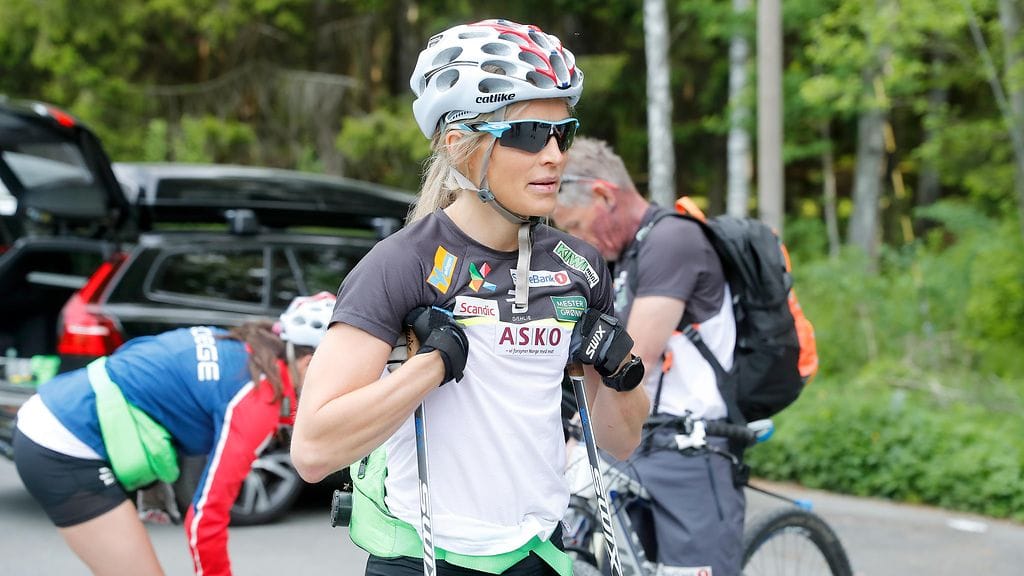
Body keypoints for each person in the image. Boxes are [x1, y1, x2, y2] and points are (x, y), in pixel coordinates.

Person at [290, 19, 649, 576]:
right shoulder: (402, 264)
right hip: (425, 557)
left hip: (538, 555)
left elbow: (619, 443)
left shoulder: (578, 266)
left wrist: (622, 371)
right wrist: (428, 368)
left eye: (563, 134)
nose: (554, 155)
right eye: (529, 134)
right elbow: (314, 451)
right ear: (460, 147)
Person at [12, 292, 337, 576]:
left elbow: (136, 354)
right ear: (309, 364)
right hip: (62, 443)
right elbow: (206, 516)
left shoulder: (239, 345)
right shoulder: (255, 398)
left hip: (55, 406)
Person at [553, 137, 744, 576]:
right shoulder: (624, 255)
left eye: (577, 226)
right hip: (638, 442)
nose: (578, 242)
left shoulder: (673, 240)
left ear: (604, 195)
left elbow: (635, 359)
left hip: (687, 450)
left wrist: (578, 434)